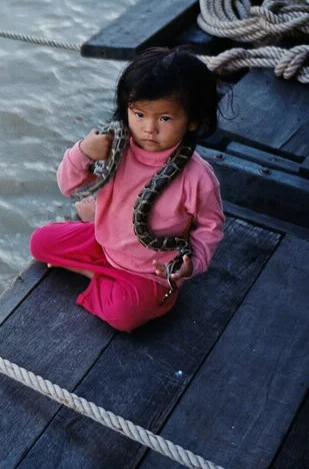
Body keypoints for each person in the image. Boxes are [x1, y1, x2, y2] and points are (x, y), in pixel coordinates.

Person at [30, 47, 224, 332]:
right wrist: (83, 152)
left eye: (165, 118)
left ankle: (94, 274)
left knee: (123, 316)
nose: (149, 128)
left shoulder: (198, 176)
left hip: (151, 271)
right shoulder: (113, 148)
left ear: (192, 120)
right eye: (139, 114)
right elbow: (68, 185)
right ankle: (100, 267)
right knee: (39, 243)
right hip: (105, 242)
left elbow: (211, 226)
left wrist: (191, 264)